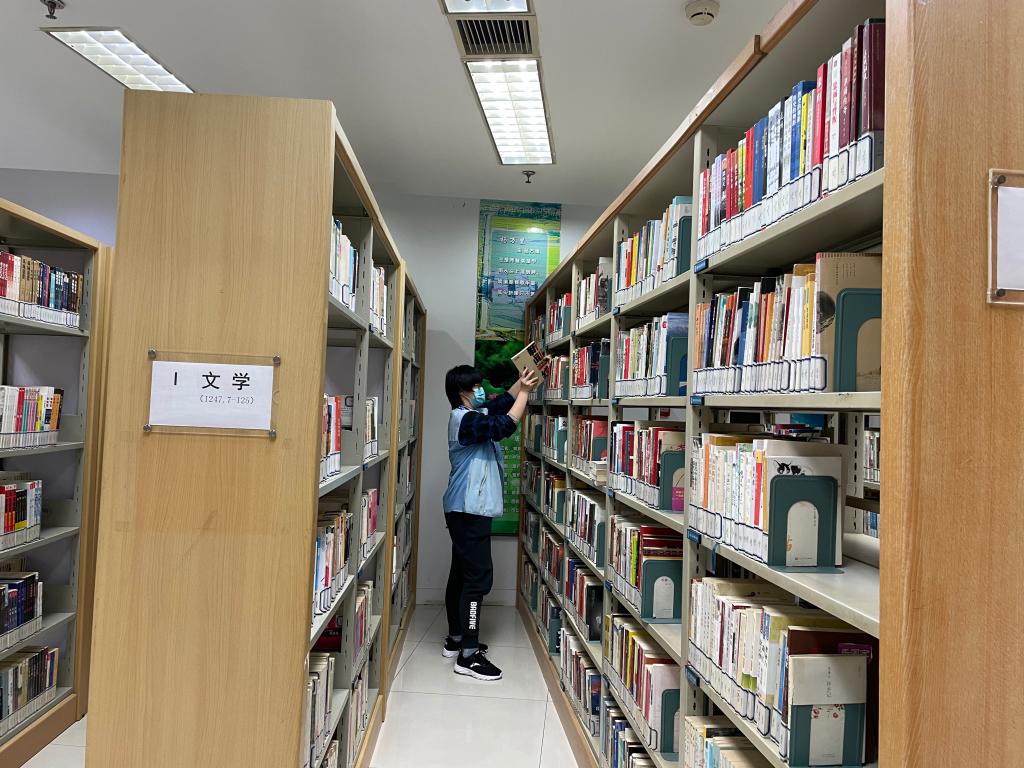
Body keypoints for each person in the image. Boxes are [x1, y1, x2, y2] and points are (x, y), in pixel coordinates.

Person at [441, 363, 540, 681]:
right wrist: (525, 393)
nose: (482, 390)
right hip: (470, 510)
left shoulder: (471, 414)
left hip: (463, 509)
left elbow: (501, 404)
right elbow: (505, 425)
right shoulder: (467, 421)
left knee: (461, 574)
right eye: (476, 386)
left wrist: (521, 383)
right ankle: (468, 656)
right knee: (477, 580)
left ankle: (456, 639)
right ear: (462, 391)